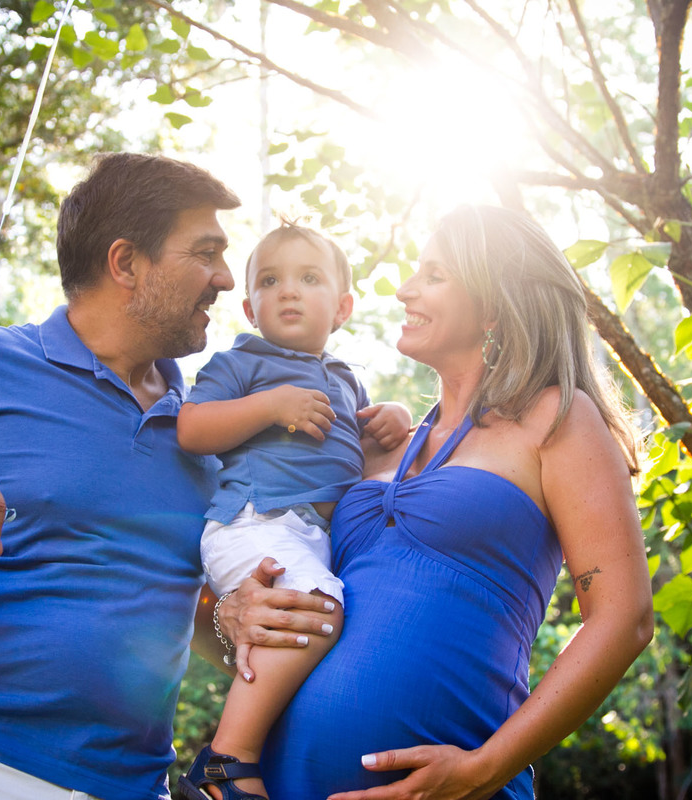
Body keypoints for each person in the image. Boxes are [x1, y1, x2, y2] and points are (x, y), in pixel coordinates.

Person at [0, 153, 337, 800]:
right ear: (126, 263)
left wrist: (233, 618)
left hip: (129, 785)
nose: (226, 278)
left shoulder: (212, 425)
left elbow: (174, 603)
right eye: (205, 252)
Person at [258, 205, 655, 799]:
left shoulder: (554, 418)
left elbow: (625, 619)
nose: (403, 290)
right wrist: (225, 612)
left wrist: (485, 768)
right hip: (281, 781)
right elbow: (287, 599)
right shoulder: (372, 450)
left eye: (434, 275)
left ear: (495, 302)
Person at [174, 222, 411, 800]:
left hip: (308, 535)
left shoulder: (346, 380)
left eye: (309, 278)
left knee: (310, 626)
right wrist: (270, 405)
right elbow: (192, 428)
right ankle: (228, 760)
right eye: (271, 281)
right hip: (253, 522)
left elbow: (366, 453)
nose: (288, 291)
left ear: (344, 306)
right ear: (250, 307)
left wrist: (397, 418)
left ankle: (268, 746)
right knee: (317, 612)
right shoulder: (242, 362)